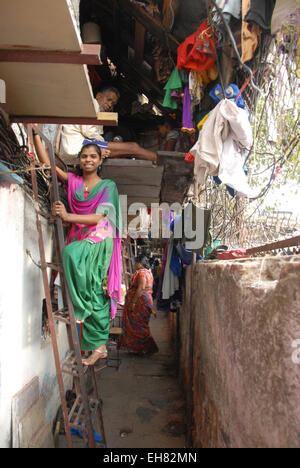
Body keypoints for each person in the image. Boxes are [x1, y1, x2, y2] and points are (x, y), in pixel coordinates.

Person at [33, 131, 122, 366]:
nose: (88, 160)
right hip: (80, 237)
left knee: (73, 258)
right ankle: (100, 347)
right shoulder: (75, 181)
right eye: (84, 156)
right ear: (79, 159)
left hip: (99, 238)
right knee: (92, 289)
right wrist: (34, 134)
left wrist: (67, 215)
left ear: (100, 160)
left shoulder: (108, 186)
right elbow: (49, 167)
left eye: (93, 156)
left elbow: (102, 216)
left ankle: (85, 318)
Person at [55, 85, 157, 163]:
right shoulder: (92, 105)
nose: (110, 105)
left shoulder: (98, 111)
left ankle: (158, 159)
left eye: (113, 104)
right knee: (132, 147)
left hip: (80, 145)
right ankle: (160, 160)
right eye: (109, 100)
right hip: (78, 146)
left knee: (127, 150)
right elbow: (89, 131)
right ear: (99, 96)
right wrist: (104, 145)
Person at [118, 255, 158, 355]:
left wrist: (133, 302)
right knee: (139, 324)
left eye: (136, 262)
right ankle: (139, 349)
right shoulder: (148, 272)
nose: (134, 264)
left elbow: (141, 287)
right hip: (144, 301)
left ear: (140, 263)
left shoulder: (142, 273)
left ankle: (149, 348)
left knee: (138, 325)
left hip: (140, 303)